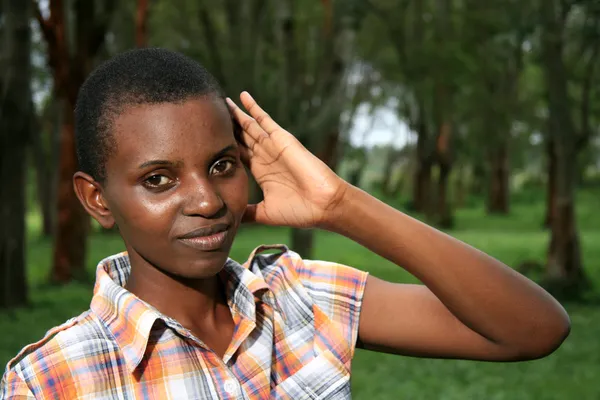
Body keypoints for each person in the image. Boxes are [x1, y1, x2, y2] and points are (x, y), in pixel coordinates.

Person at [1, 48, 569, 399]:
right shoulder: (51, 380)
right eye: (159, 179)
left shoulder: (299, 298)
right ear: (97, 199)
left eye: (222, 165)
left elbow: (533, 330)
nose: (206, 200)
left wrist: (341, 206)